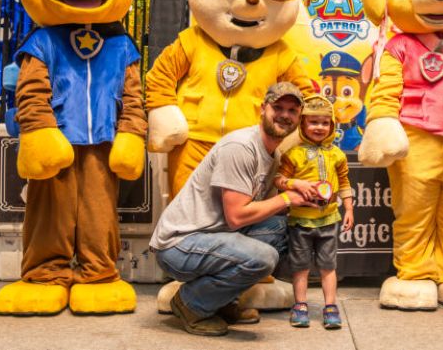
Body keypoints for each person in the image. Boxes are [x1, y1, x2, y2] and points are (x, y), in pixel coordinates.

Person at [149, 82, 314, 337]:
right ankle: (191, 304)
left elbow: (263, 212)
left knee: (286, 229)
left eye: (292, 110)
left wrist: (305, 197)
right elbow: (237, 217)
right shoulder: (240, 147)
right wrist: (287, 199)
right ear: (263, 109)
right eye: (278, 107)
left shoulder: (273, 156)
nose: (285, 115)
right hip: (179, 245)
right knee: (264, 258)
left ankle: (218, 301)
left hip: (215, 235)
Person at [274, 94, 354, 329]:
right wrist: (294, 184)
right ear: (302, 123)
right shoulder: (293, 154)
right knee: (300, 267)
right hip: (300, 221)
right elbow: (278, 179)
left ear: (332, 125)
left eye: (325, 123)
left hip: (328, 220)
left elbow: (345, 182)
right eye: (313, 122)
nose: (319, 127)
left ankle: (331, 306)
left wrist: (349, 209)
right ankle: (300, 305)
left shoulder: (337, 155)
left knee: (329, 266)